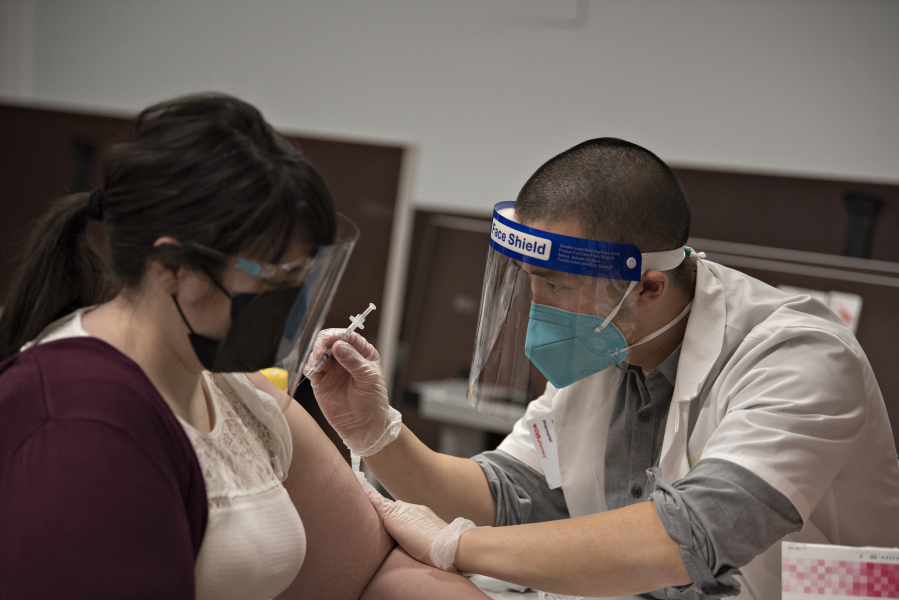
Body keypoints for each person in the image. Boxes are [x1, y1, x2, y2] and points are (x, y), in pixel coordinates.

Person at [307, 138, 899, 599]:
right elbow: (510, 495)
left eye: (555, 285)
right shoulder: (610, 341)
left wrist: (458, 547)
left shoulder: (800, 358)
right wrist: (378, 434)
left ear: (646, 287)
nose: (539, 309)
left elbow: (689, 538)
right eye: (531, 284)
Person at [0, 93, 489, 600]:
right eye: (274, 279)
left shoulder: (227, 382)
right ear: (172, 268)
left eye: (303, 278)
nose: (291, 306)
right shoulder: (76, 424)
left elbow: (370, 567)